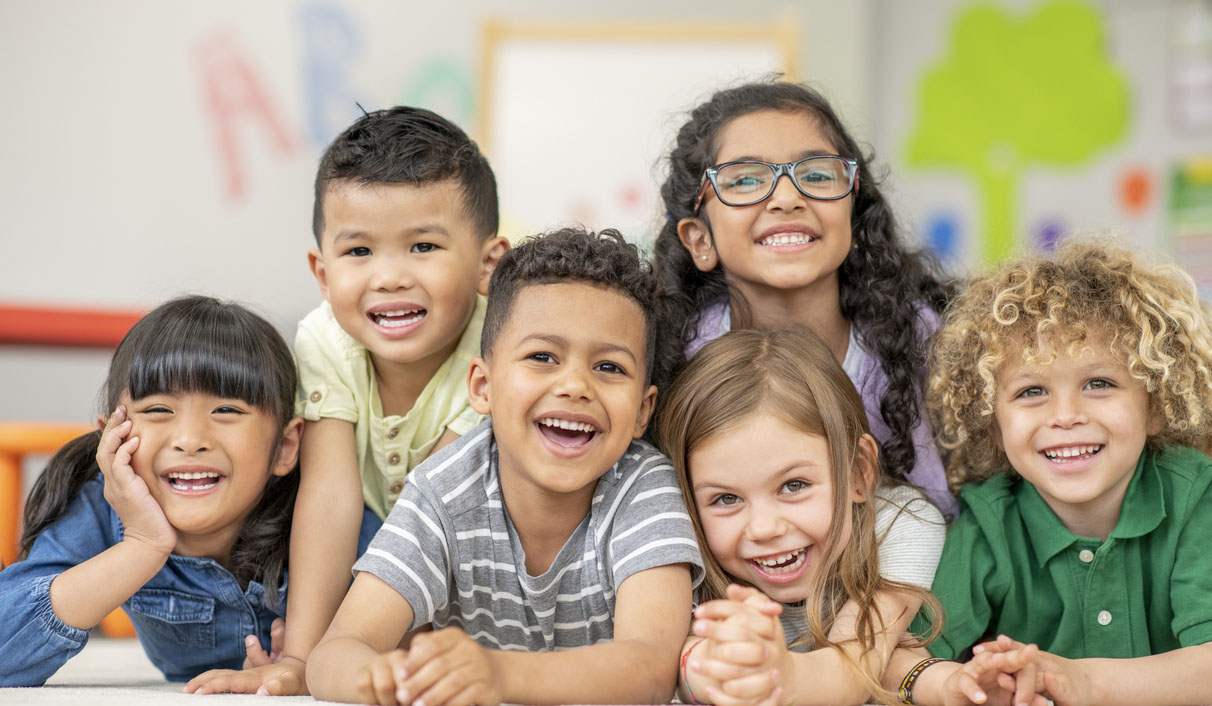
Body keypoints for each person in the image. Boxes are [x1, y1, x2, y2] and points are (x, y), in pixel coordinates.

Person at [306, 227, 704, 706]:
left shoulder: (642, 488)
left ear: (642, 411)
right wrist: (394, 679)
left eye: (609, 367)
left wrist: (495, 674)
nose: (576, 385)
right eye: (542, 357)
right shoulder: (443, 490)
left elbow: (650, 671)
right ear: (482, 387)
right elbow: (334, 655)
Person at [199, 107, 511, 695]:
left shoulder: (498, 342)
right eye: (359, 252)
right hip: (362, 544)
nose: (389, 277)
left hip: (469, 544)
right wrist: (303, 658)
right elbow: (330, 495)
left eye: (423, 246)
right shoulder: (325, 337)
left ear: (487, 264)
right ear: (322, 271)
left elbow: (436, 507)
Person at [898, 238, 1212, 706]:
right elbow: (903, 653)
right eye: (1031, 391)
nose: (1065, 415)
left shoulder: (1190, 491)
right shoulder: (990, 518)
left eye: (1099, 383)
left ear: (1156, 406)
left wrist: (1082, 683)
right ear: (993, 421)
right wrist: (950, 686)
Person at [0, 296, 378, 689]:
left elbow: (418, 630)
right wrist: (143, 545)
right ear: (110, 438)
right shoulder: (99, 506)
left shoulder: (329, 516)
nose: (190, 439)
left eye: (227, 411)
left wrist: (320, 654)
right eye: (158, 410)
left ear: (284, 447)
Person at [653, 327, 1025, 706]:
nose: (764, 528)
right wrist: (719, 666)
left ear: (858, 472)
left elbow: (856, 666)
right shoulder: (679, 549)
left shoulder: (900, 524)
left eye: (794, 485)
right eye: (726, 498)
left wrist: (779, 674)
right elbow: (672, 672)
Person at [652, 79, 956, 518]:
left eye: (815, 174)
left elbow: (940, 510)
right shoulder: (675, 352)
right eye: (745, 180)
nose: (787, 198)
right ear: (700, 240)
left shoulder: (917, 339)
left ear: (854, 214)